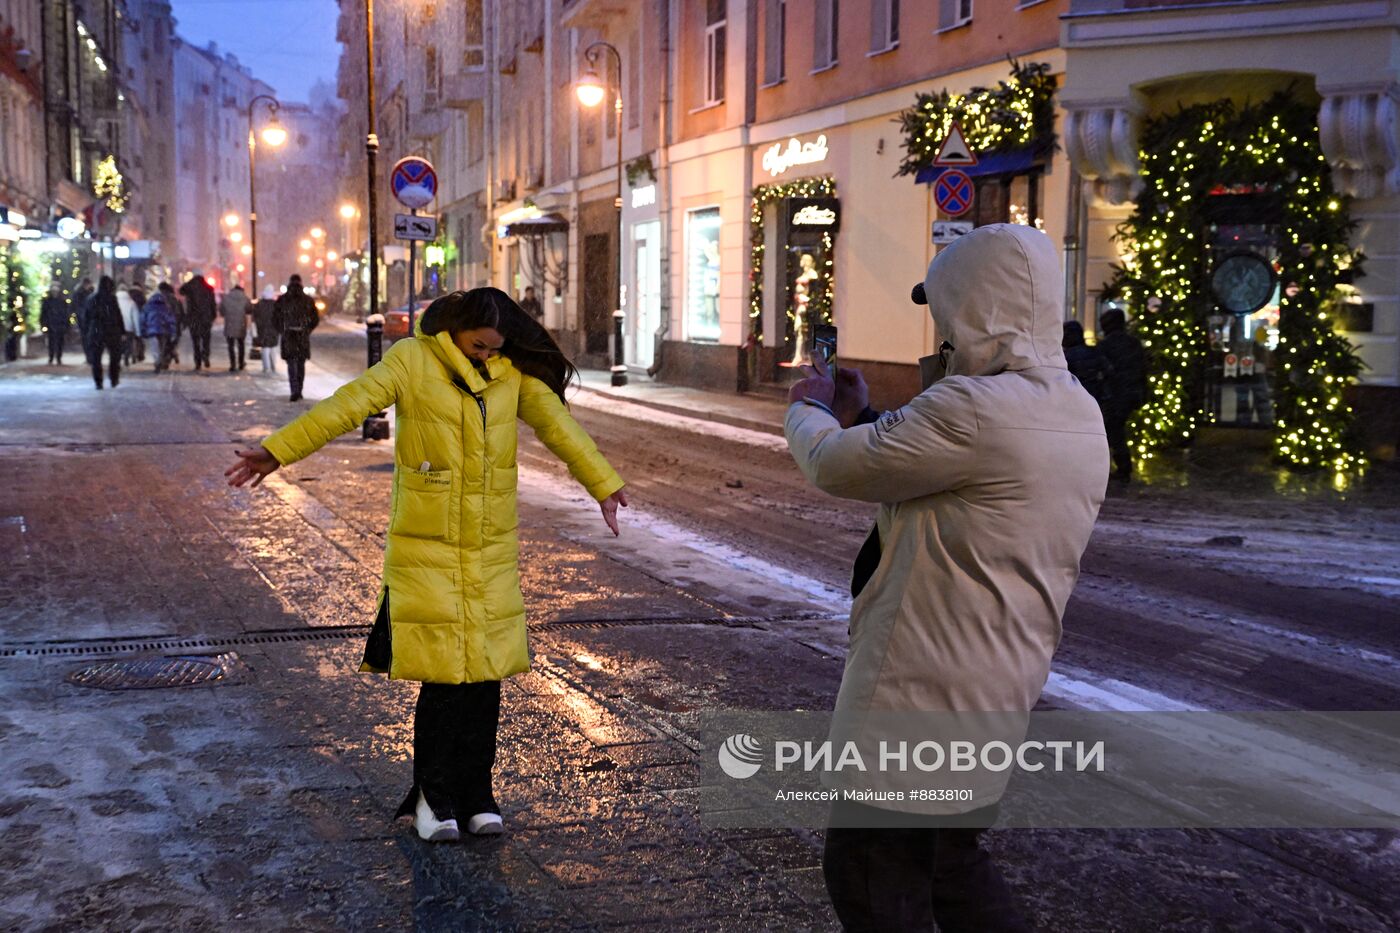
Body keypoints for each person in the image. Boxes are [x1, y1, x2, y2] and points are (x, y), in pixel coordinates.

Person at [784, 225, 1107, 933]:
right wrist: (869, 415)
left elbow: (839, 464)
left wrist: (808, 408)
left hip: (919, 686)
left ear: (980, 309)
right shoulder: (1077, 410)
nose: (944, 328)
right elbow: (938, 471)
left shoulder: (974, 408)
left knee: (871, 870)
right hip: (995, 683)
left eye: (950, 311)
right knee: (948, 863)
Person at [225, 287, 629, 843]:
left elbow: (561, 430)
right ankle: (432, 800)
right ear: (456, 330)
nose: (486, 355)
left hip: (490, 549)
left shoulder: (510, 375)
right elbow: (347, 405)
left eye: (494, 347)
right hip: (428, 547)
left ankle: (476, 794)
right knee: (444, 679)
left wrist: (603, 485)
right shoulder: (412, 361)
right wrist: (278, 450)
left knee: (485, 678)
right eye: (478, 345)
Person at [1097, 307, 1148, 482]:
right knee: (1117, 429)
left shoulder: (1106, 345)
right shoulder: (1133, 343)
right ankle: (1122, 465)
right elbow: (1143, 369)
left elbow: (1106, 371)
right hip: (1132, 391)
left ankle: (1123, 466)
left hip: (1117, 393)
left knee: (1114, 430)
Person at [273, 275, 318, 401]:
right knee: (300, 363)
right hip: (301, 336)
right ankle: (299, 389)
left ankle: (294, 389)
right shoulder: (307, 300)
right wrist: (307, 329)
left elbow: (275, 318)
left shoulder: (283, 300)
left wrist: (282, 330)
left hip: (288, 336)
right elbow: (315, 319)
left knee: (291, 364)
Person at [81, 276, 127, 390]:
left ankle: (98, 382)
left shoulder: (91, 299)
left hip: (95, 329)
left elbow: (85, 316)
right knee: (114, 357)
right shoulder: (112, 299)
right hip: (111, 330)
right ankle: (114, 379)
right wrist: (122, 331)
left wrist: (86, 330)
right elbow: (118, 315)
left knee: (96, 358)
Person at [1062, 320, 1114, 407]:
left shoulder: (1065, 357)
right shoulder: (1095, 352)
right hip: (1096, 399)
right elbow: (1109, 371)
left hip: (1074, 401)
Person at [179, 272, 218, 371]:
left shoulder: (190, 288)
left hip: (193, 318)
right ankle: (205, 355)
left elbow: (181, 290)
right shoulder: (208, 289)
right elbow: (213, 304)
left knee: (195, 341)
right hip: (205, 318)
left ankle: (198, 362)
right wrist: (213, 315)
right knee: (206, 339)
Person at [142, 283, 180, 372]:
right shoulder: (167, 306)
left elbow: (143, 317)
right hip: (164, 329)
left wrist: (143, 328)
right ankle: (165, 360)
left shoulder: (148, 306)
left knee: (155, 346)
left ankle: (158, 361)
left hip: (152, 329)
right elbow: (172, 317)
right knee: (164, 346)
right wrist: (174, 329)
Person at [221, 283, 251, 372]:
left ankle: (232, 364)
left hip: (229, 324)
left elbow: (222, 311)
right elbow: (249, 309)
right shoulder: (245, 298)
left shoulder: (226, 298)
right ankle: (241, 363)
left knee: (231, 345)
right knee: (241, 344)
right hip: (241, 325)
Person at [253, 285, 280, 376]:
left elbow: (255, 317)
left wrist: (258, 325)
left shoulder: (259, 304)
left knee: (265, 348)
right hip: (274, 329)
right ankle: (273, 366)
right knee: (273, 348)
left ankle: (266, 367)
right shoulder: (276, 305)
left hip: (263, 329)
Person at [40, 284, 71, 365]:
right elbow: (44, 313)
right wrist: (43, 323)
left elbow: (66, 314)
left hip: (59, 324)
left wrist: (67, 324)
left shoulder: (62, 302)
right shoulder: (47, 301)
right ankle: (51, 357)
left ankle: (58, 357)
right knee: (51, 342)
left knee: (60, 342)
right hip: (51, 324)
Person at [117, 283, 145, 365]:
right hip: (129, 327)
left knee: (118, 344)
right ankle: (126, 356)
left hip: (116, 327)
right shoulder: (131, 302)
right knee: (128, 344)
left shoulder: (113, 301)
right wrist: (138, 332)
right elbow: (136, 318)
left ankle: (118, 358)